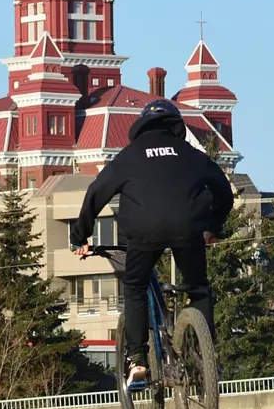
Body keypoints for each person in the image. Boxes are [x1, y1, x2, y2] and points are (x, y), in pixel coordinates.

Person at [71, 98, 234, 389]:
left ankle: (138, 361)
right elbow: (224, 192)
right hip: (189, 230)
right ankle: (205, 356)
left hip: (143, 234)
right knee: (198, 288)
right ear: (176, 127)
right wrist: (212, 227)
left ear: (141, 128)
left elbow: (96, 192)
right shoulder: (193, 155)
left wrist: (80, 236)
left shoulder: (128, 156)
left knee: (135, 287)